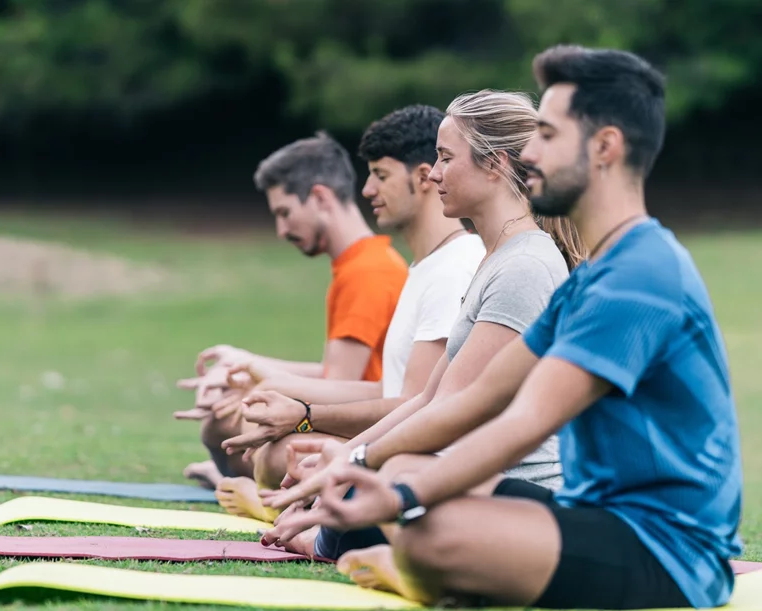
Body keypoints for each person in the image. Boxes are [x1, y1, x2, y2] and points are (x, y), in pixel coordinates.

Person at [258, 45, 745, 611]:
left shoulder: (638, 275)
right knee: (412, 482)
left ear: (606, 147)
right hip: (592, 514)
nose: (529, 152)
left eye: (547, 135)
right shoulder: (595, 274)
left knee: (431, 532)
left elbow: (524, 420)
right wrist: (360, 465)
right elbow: (474, 398)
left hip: (666, 551)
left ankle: (422, 568)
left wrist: (399, 495)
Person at [227, 89, 587, 541]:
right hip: (459, 472)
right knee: (357, 472)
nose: (433, 174)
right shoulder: (496, 258)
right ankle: (322, 526)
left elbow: (450, 410)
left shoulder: (525, 266)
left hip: (514, 490)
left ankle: (315, 536)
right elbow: (427, 398)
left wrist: (351, 462)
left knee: (383, 479)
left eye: (444, 158)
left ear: (494, 165)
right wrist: (344, 457)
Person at [209, 104, 487, 518]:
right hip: (397, 440)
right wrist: (280, 388)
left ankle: (291, 508)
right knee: (272, 449)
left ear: (422, 176)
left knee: (279, 455)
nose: (367, 190)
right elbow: (390, 388)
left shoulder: (453, 268)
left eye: (381, 176)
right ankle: (298, 503)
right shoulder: (424, 265)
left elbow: (417, 404)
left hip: (424, 458)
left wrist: (303, 416)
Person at [181, 131, 410, 485]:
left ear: (319, 197)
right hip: (353, 416)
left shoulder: (369, 270)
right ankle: (235, 474)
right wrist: (246, 365)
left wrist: (259, 378)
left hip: (366, 429)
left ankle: (241, 480)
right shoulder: (358, 264)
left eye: (285, 213)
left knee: (243, 429)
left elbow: (341, 385)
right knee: (229, 417)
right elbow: (337, 372)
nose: (280, 229)